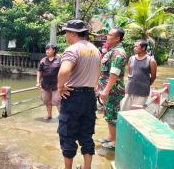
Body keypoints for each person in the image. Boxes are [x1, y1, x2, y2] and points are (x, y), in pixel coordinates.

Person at [57, 20, 101, 169]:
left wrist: (60, 87)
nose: (65, 36)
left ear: (74, 33)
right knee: (86, 134)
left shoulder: (73, 49)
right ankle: (87, 167)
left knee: (67, 134)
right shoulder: (95, 50)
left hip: (73, 96)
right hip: (90, 96)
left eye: (66, 33)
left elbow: (64, 71)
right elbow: (98, 72)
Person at [97, 28, 127, 149]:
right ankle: (110, 137)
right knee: (108, 114)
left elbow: (114, 74)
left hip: (113, 91)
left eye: (110, 35)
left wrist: (106, 90)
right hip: (109, 90)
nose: (107, 36)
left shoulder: (118, 53)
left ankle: (114, 141)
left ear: (117, 38)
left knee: (113, 116)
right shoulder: (112, 50)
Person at [121, 40, 157, 111]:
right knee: (124, 110)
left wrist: (146, 85)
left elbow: (153, 76)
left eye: (136, 47)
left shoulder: (151, 61)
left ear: (143, 48)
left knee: (136, 112)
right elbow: (129, 72)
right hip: (129, 89)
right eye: (134, 46)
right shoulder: (131, 58)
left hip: (142, 91)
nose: (134, 48)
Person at [36, 43, 61, 120]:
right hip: (45, 84)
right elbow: (39, 71)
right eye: (46, 49)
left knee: (57, 101)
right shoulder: (43, 60)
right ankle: (49, 115)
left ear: (54, 50)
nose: (47, 51)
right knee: (46, 100)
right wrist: (37, 81)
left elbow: (64, 71)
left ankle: (62, 116)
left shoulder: (59, 59)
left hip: (56, 84)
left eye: (49, 49)